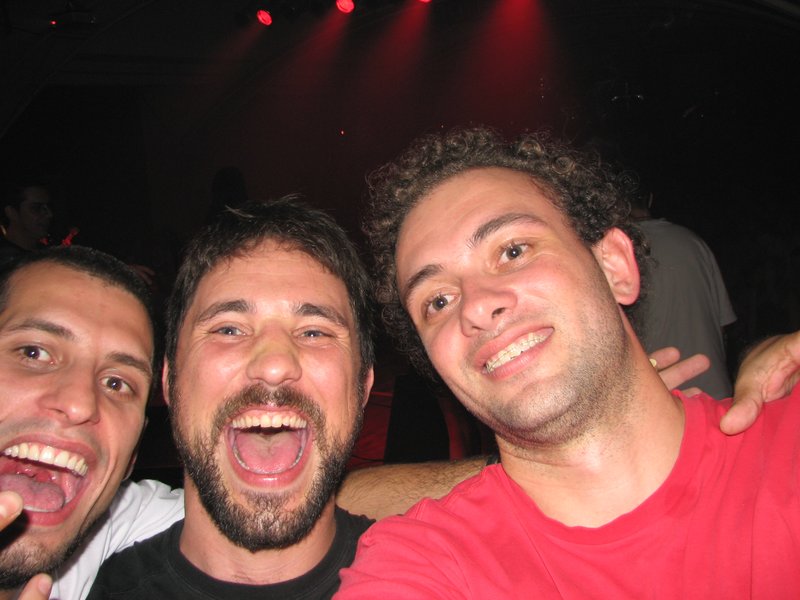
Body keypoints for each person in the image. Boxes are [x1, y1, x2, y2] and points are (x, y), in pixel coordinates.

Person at [337, 127, 800, 597]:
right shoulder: (425, 562)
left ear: (614, 266)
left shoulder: (787, 444)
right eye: (437, 300)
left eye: (513, 251)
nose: (474, 307)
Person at [0, 246, 183, 600]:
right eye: (33, 353)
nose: (79, 403)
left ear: (131, 457)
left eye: (117, 383)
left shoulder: (106, 522)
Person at [632, 193, 737, 398]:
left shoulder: (615, 250)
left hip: (660, 400)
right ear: (650, 199)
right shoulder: (693, 242)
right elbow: (724, 323)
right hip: (714, 390)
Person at [0, 184, 53, 264]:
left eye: (48, 207)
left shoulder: (48, 254)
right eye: (36, 208)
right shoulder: (6, 261)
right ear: (11, 213)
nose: (49, 214)